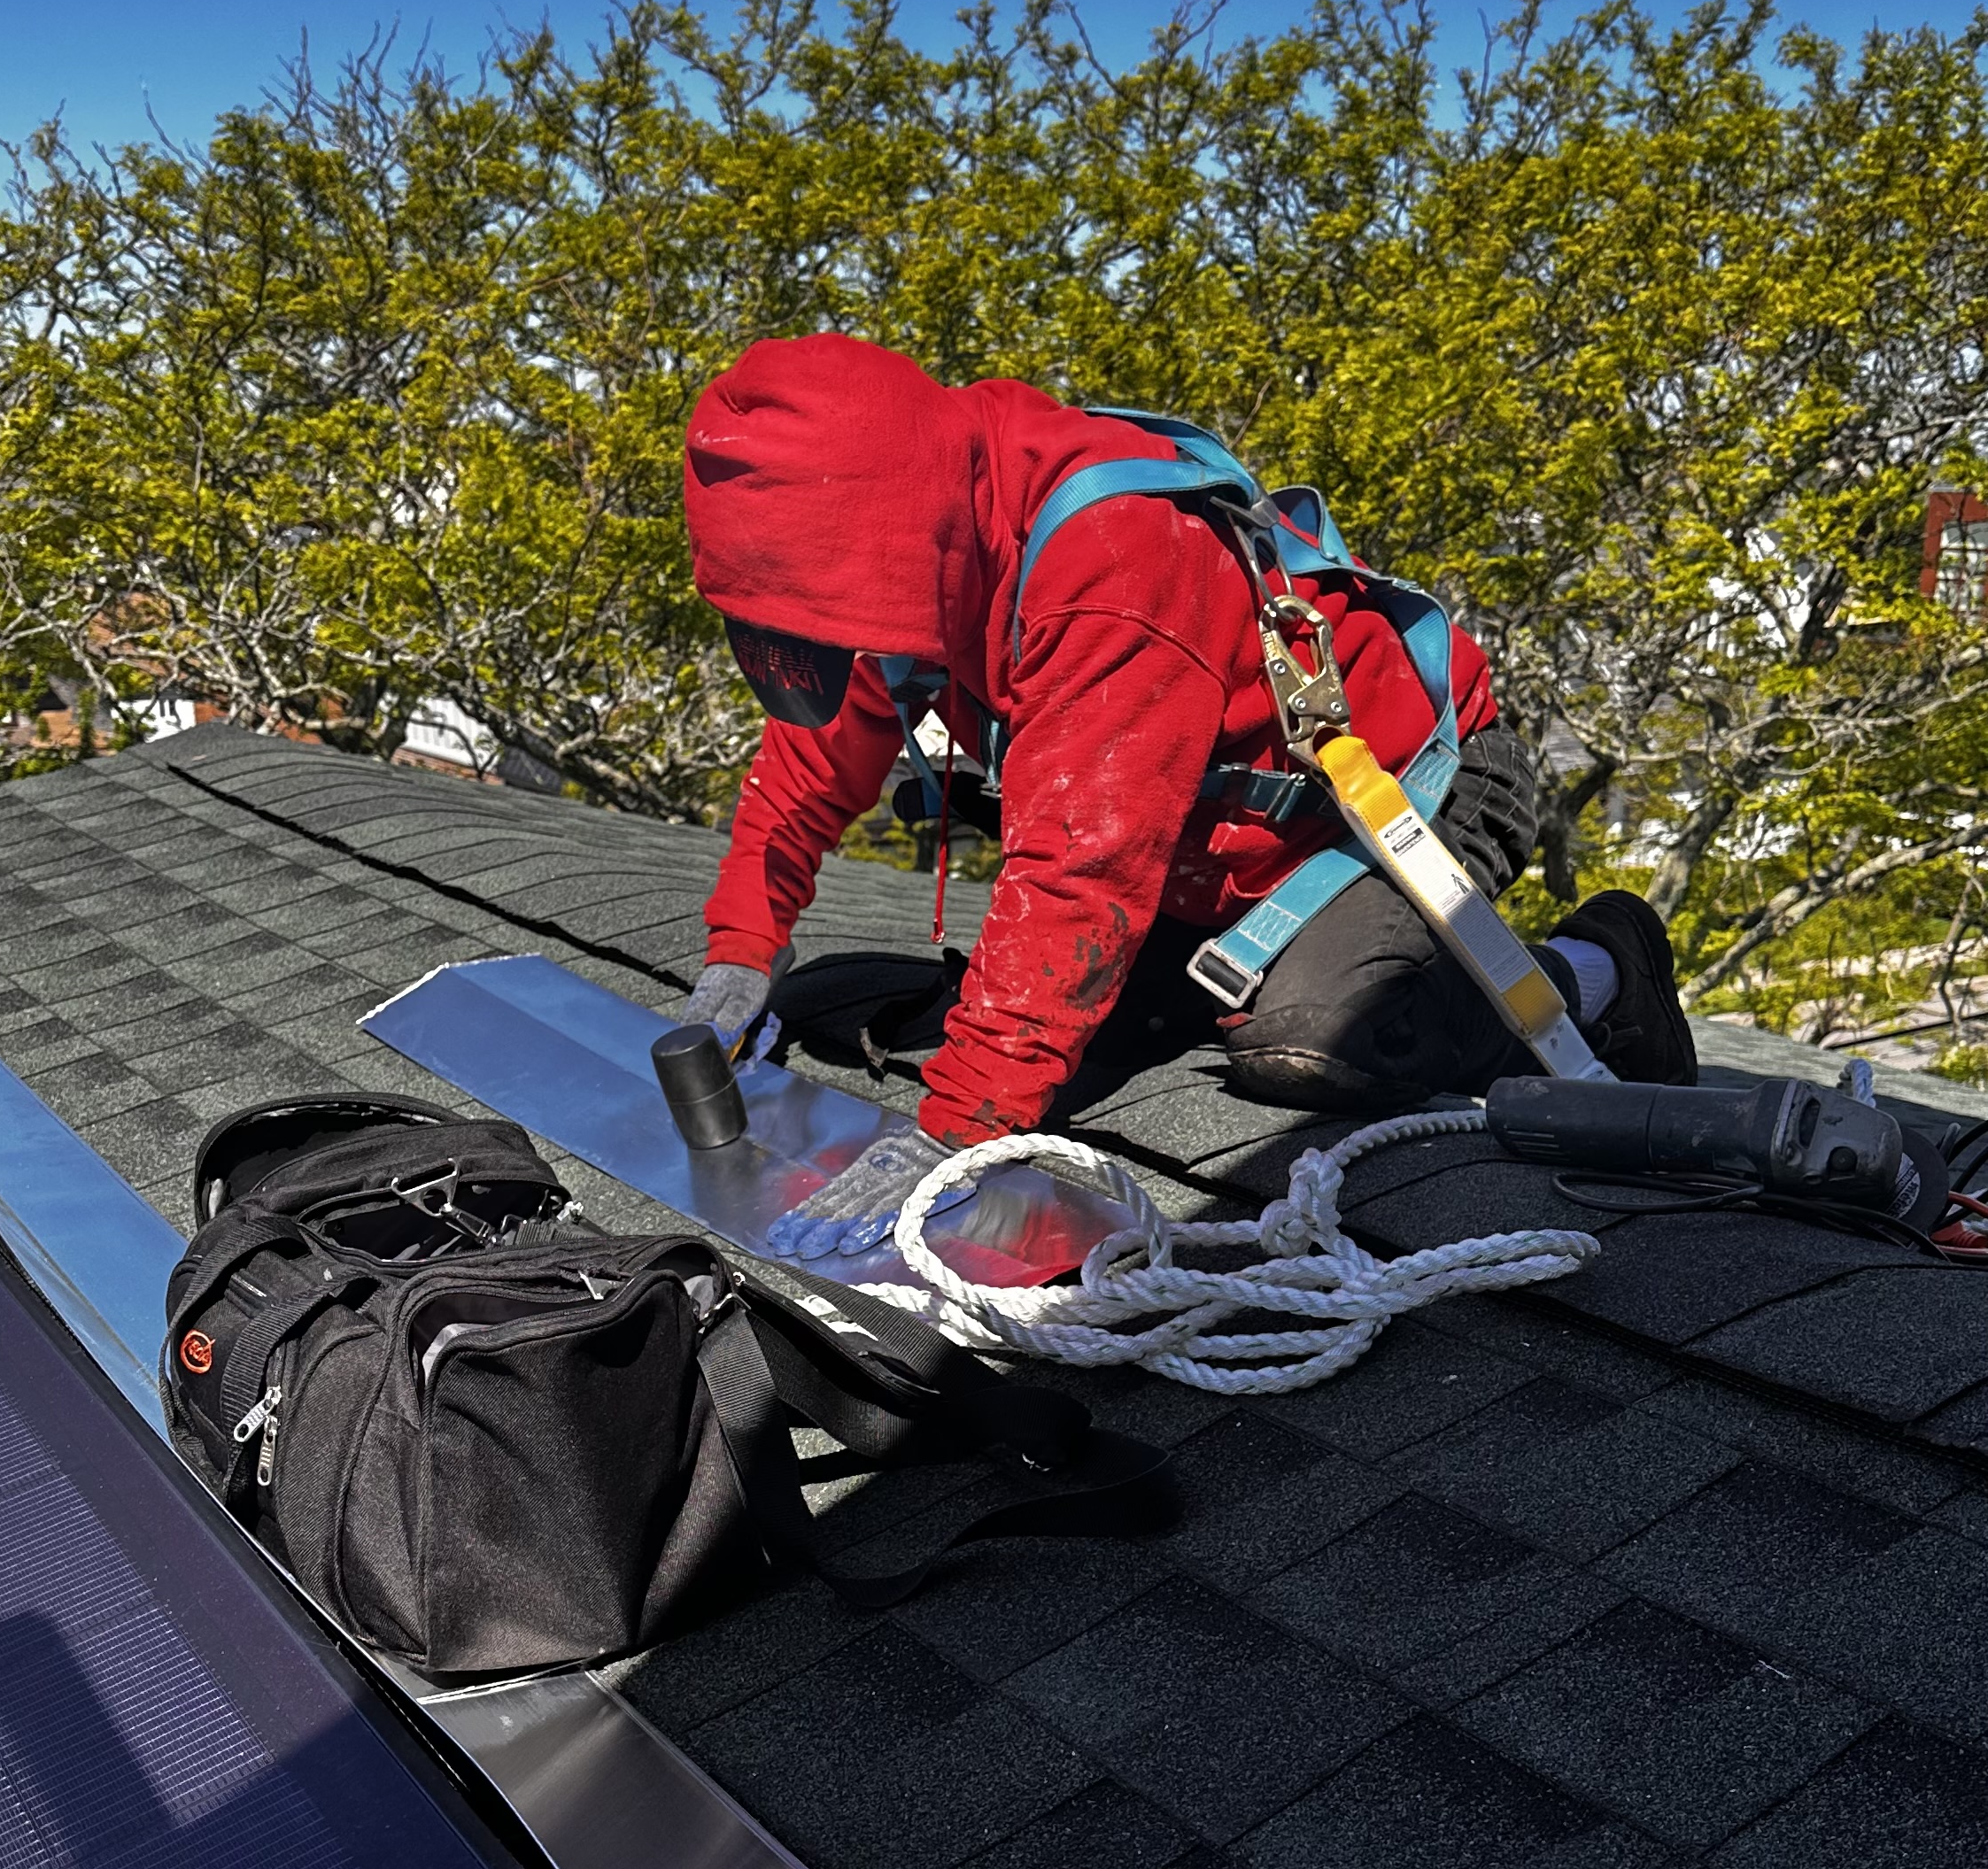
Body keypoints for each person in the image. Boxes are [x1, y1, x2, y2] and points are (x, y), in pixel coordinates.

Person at [681, 334, 1694, 1256]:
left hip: (1404, 794)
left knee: (1316, 1043)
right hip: (1201, 840)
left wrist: (950, 1141)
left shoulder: (1108, 559)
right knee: (853, 1007)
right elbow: (816, 757)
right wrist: (739, 950)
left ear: (906, 543)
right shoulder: (905, 540)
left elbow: (1082, 871)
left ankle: (1602, 965)